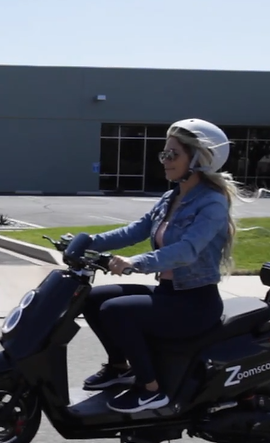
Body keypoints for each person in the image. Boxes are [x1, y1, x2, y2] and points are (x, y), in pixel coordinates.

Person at [80, 118, 244, 414]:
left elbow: (187, 250)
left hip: (195, 302)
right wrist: (89, 241)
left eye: (173, 155)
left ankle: (151, 390)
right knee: (91, 300)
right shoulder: (172, 197)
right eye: (164, 154)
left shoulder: (212, 203)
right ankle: (119, 367)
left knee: (116, 312)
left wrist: (135, 263)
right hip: (169, 292)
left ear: (198, 159)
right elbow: (135, 230)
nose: (166, 161)